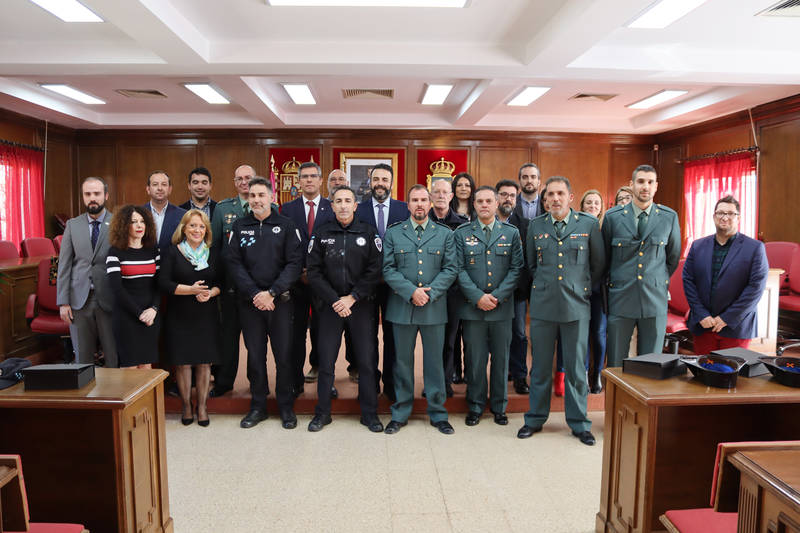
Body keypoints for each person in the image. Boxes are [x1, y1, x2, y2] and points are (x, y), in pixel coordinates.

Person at [517, 176, 605, 446]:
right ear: (545, 200)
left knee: (577, 369)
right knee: (540, 368)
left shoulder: (588, 224)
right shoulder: (536, 226)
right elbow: (531, 265)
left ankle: (579, 423)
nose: (555, 199)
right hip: (543, 306)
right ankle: (534, 419)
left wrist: (580, 288)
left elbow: (598, 265)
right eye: (550, 195)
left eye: (560, 194)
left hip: (576, 306)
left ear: (570, 197)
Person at [226, 177, 303, 430]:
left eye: (261, 195)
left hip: (280, 303)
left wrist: (271, 292)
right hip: (250, 304)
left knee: (284, 356)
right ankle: (258, 406)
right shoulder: (239, 226)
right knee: (256, 356)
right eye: (252, 196)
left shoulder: (286, 225)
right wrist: (255, 294)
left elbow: (294, 263)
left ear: (272, 197)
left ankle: (285, 406)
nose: (256, 200)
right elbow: (234, 263)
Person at [306, 186, 383, 432]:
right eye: (338, 201)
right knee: (326, 361)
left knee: (366, 361)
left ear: (355, 205)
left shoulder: (368, 232)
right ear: (332, 206)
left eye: (347, 201)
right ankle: (322, 413)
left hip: (361, 306)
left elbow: (375, 270)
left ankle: (369, 413)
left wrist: (353, 297)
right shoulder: (321, 233)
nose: (343, 205)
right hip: (330, 307)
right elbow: (313, 272)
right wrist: (335, 300)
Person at [382, 185, 458, 435]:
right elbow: (388, 269)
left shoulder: (444, 234)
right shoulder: (394, 233)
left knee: (434, 363)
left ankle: (438, 413)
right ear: (408, 204)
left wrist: (429, 293)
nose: (419, 204)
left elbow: (450, 269)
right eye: (414, 200)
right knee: (402, 363)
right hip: (402, 307)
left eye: (424, 200)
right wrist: (411, 292)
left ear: (430, 202)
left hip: (433, 308)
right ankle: (401, 411)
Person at [455, 186, 523, 426]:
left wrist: (497, 296)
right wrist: (478, 297)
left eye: (488, 201)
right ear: (474, 205)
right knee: (475, 360)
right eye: (480, 201)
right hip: (473, 309)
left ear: (496, 204)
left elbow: (517, 268)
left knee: (501, 360)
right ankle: (475, 406)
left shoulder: (511, 233)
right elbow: (458, 269)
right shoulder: (462, 233)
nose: (484, 205)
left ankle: (499, 407)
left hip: (501, 309)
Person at [602, 165, 681, 367]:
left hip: (654, 300)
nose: (645, 186)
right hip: (621, 298)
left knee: (651, 365)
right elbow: (605, 260)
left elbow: (672, 257)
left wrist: (655, 280)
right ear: (632, 185)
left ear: (656, 186)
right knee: (616, 364)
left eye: (650, 182)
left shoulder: (669, 217)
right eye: (640, 181)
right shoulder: (612, 217)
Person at [682, 195, 769, 353]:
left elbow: (756, 287)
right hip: (704, 324)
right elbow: (688, 281)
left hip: (736, 326)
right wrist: (701, 314)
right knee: (703, 367)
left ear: (738, 218)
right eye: (720, 213)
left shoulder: (755, 248)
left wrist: (727, 318)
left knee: (731, 368)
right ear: (714, 216)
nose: (724, 217)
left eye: (730, 213)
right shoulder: (697, 246)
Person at [159, 209, 221, 427]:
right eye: (193, 225)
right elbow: (164, 283)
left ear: (207, 230)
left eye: (202, 226)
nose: (197, 230)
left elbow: (221, 283)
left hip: (206, 315)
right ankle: (186, 405)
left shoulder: (212, 252)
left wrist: (210, 293)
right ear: (184, 229)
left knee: (204, 362)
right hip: (179, 314)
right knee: (183, 363)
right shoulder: (172, 252)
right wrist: (190, 290)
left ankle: (202, 406)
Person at [355, 164, 410, 401]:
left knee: (392, 336)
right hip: (365, 283)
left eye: (384, 179)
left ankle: (391, 384)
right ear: (370, 182)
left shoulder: (404, 209)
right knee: (366, 338)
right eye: (376, 179)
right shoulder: (358, 209)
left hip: (394, 285)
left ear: (391, 183)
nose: (380, 183)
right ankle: (369, 386)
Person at [280, 162, 335, 397]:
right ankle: (295, 382)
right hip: (296, 283)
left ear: (321, 180)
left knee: (325, 336)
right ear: (299, 181)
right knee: (295, 335)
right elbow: (284, 244)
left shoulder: (332, 207)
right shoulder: (287, 209)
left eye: (313, 176)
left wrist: (315, 272)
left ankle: (327, 382)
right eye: (304, 177)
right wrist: (299, 271)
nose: (309, 180)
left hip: (324, 282)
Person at [57, 177, 117, 367]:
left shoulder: (118, 223)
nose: (92, 198)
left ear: (106, 196)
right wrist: (63, 302)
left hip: (109, 298)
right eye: (88, 194)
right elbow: (64, 265)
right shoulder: (72, 225)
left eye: (97, 193)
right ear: (83, 197)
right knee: (82, 358)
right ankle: (86, 388)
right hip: (79, 300)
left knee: (113, 355)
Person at [209, 164, 255, 398]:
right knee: (228, 336)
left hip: (257, 285)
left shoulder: (270, 206)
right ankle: (224, 381)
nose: (244, 182)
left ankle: (256, 382)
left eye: (248, 178)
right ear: (234, 182)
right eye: (239, 179)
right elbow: (215, 247)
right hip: (230, 285)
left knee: (254, 339)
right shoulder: (222, 209)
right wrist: (216, 280)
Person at [105, 205, 161, 369]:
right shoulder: (115, 252)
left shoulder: (153, 250)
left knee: (146, 367)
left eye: (142, 221)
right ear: (124, 226)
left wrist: (154, 309)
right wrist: (139, 314)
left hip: (151, 316)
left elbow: (159, 285)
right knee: (129, 370)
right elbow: (117, 289)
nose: (139, 225)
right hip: (126, 316)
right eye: (133, 222)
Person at [429, 178, 468, 397]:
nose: (441, 196)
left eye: (445, 192)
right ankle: (432, 382)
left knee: (450, 340)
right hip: (429, 291)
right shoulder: (423, 220)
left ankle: (445, 383)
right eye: (437, 192)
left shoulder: (462, 224)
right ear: (431, 196)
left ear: (451, 196)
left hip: (453, 291)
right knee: (432, 341)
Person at [496, 179, 532, 395]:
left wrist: (518, 286)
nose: (507, 199)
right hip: (491, 291)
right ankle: (497, 375)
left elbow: (528, 261)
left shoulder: (525, 225)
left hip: (516, 291)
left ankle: (519, 375)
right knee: (494, 336)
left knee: (518, 333)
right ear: (496, 197)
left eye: (511, 195)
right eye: (503, 194)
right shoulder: (486, 220)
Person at [580, 189, 608, 393]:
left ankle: (596, 373)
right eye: (588, 202)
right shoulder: (575, 227)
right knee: (581, 334)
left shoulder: (606, 229)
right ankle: (581, 373)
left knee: (598, 333)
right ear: (582, 206)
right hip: (578, 290)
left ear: (601, 208)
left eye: (596, 203)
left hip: (599, 291)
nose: (592, 206)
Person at [142, 170, 186, 253]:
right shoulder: (138, 214)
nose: (160, 188)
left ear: (170, 189)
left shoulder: (182, 215)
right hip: (144, 260)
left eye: (164, 184)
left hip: (172, 260)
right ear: (148, 189)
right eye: (155, 184)